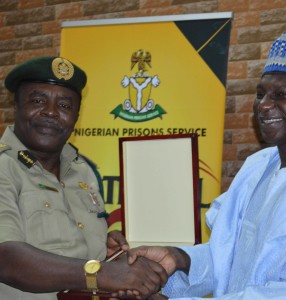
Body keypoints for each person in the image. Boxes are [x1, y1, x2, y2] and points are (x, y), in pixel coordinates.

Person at [127, 32, 286, 299]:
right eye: (261, 94)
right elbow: (226, 253)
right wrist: (178, 258)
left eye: (281, 95)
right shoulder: (258, 165)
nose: (264, 106)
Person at [0, 56, 167, 300]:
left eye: (65, 106)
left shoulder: (82, 170)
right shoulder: (4, 167)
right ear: (15, 107)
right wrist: (104, 273)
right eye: (37, 101)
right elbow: (6, 258)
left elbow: (81, 256)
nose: (51, 112)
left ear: (76, 117)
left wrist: (108, 253)